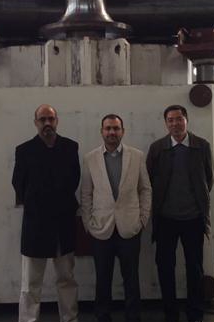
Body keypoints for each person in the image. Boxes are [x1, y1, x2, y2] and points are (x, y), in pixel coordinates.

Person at [12, 104, 81, 322]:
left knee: (67, 278)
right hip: (35, 224)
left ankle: (70, 318)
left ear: (57, 121)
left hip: (63, 224)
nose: (47, 123)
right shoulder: (24, 151)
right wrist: (38, 203)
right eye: (42, 119)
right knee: (30, 283)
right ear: (36, 123)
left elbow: (74, 180)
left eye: (51, 119)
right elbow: (18, 184)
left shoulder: (70, 147)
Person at [146, 105, 214, 322]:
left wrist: (198, 203)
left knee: (195, 268)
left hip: (193, 219)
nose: (175, 124)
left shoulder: (201, 146)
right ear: (166, 123)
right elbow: (149, 180)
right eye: (170, 120)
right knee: (165, 267)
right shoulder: (157, 148)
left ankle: (195, 313)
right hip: (165, 219)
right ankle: (171, 314)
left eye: (179, 119)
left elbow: (208, 179)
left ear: (187, 120)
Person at [81, 114, 152, 322]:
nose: (112, 132)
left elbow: (145, 189)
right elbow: (86, 193)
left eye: (116, 128)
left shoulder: (137, 156)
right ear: (101, 132)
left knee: (131, 278)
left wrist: (143, 219)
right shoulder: (90, 158)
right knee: (102, 278)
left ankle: (133, 317)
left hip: (130, 227)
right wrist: (88, 223)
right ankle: (102, 316)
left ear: (123, 131)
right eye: (108, 128)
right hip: (101, 228)